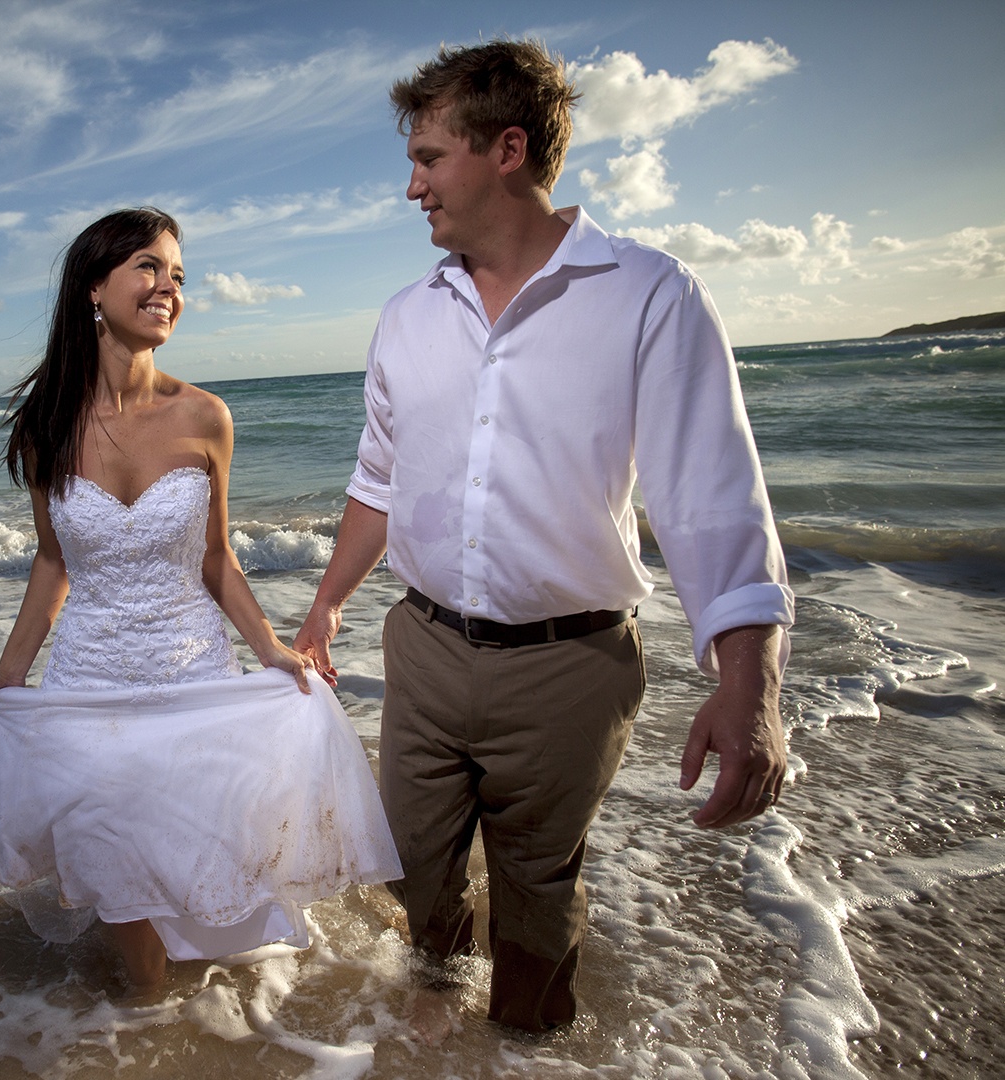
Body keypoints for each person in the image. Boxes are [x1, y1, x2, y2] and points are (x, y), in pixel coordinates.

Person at [292, 41, 794, 1035]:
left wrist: (753, 688)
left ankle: (524, 1045)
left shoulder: (650, 292)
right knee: (413, 864)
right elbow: (377, 485)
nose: (412, 186)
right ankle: (436, 1017)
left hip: (572, 667)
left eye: (430, 158)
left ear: (507, 149)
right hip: (424, 650)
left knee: (539, 889)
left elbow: (711, 495)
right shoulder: (405, 319)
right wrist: (326, 602)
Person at [0, 207, 401, 996]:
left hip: (191, 666)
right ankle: (148, 1008)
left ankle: (200, 997)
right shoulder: (46, 426)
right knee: (107, 848)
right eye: (149, 269)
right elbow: (53, 564)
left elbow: (216, 559)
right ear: (95, 287)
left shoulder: (206, 417)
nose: (169, 290)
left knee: (197, 842)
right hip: (90, 673)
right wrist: (10, 669)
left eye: (179, 276)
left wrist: (272, 652)